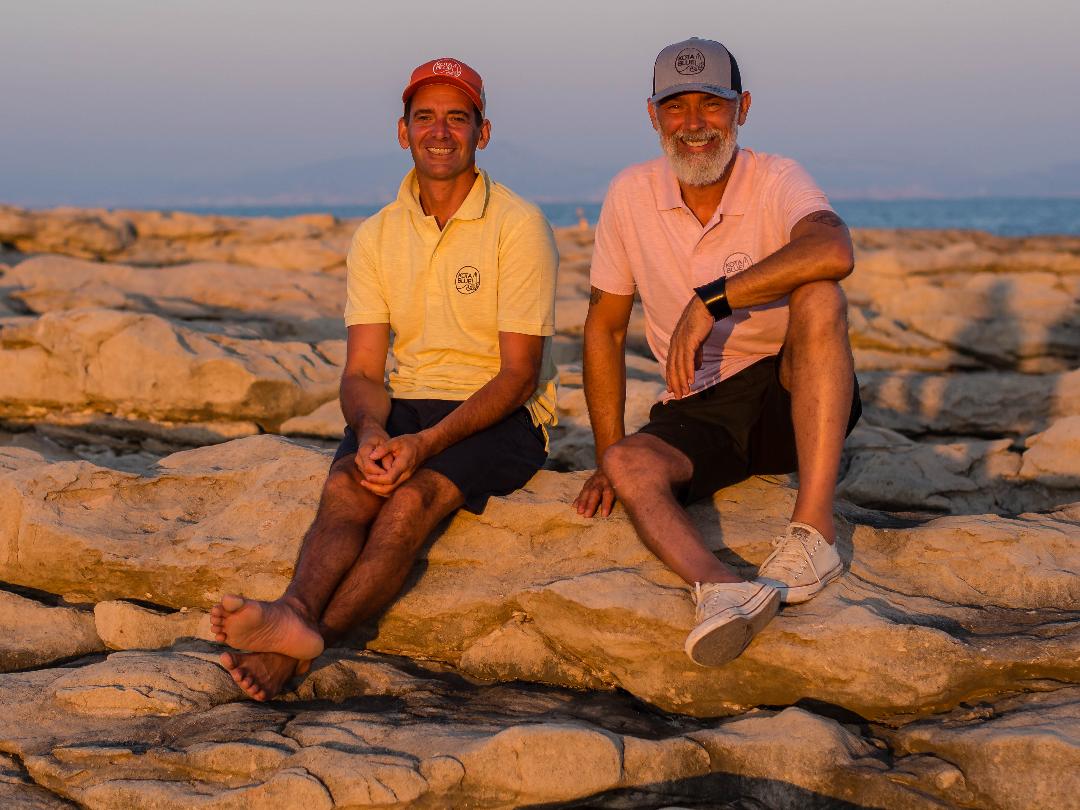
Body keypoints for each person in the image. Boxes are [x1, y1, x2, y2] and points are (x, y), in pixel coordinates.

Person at [210, 57, 559, 700]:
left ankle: (302, 647)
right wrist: (372, 427)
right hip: (410, 401)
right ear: (403, 132)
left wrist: (422, 446)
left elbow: (518, 375)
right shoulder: (376, 235)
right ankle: (293, 614)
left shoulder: (519, 224)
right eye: (424, 117)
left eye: (458, 118)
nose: (440, 131)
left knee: (408, 504)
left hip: (505, 415)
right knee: (347, 485)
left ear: (482, 133)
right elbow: (365, 371)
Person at [573, 37, 861, 667]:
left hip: (786, 389)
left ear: (743, 108)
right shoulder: (629, 194)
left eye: (712, 104)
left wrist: (711, 302)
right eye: (677, 107)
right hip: (698, 405)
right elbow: (605, 329)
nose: (695, 124)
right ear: (653, 116)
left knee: (818, 296)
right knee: (631, 464)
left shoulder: (777, 177)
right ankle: (724, 592)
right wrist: (605, 457)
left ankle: (814, 533)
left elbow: (834, 251)